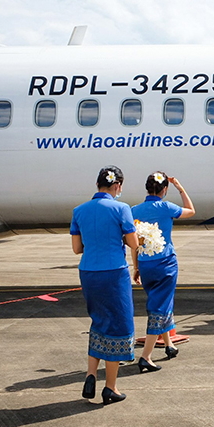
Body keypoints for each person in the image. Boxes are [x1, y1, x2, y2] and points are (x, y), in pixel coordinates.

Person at [70, 166, 138, 405]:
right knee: (118, 325)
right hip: (113, 273)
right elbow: (133, 242)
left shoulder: (79, 211)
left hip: (88, 272)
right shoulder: (122, 208)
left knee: (98, 321)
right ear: (117, 186)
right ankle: (111, 387)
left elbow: (77, 249)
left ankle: (91, 374)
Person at [131, 172, 196, 372]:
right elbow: (191, 211)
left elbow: (134, 244)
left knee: (159, 301)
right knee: (159, 307)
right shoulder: (167, 207)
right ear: (164, 190)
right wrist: (180, 187)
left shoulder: (134, 211)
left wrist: (136, 266)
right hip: (165, 264)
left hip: (145, 262)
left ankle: (169, 345)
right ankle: (146, 357)